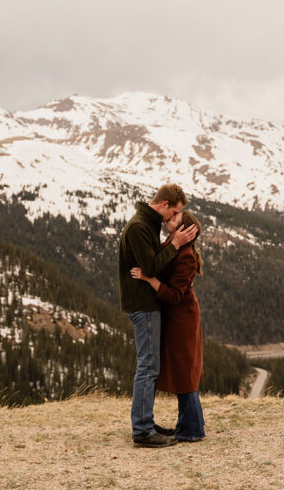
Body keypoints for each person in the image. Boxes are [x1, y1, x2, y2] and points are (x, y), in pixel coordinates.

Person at [118, 184, 198, 448]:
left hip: (148, 303)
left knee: (150, 365)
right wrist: (175, 243)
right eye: (174, 212)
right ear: (164, 204)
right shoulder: (141, 226)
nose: (172, 218)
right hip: (144, 304)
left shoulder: (148, 223)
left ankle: (147, 423)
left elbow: (155, 262)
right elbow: (150, 266)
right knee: (148, 366)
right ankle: (142, 430)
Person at [131, 210, 205, 443]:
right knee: (182, 370)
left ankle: (192, 428)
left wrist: (149, 279)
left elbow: (173, 295)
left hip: (182, 319)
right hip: (174, 317)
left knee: (184, 371)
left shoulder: (186, 256)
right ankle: (188, 425)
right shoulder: (173, 245)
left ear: (184, 230)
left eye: (175, 219)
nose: (168, 220)